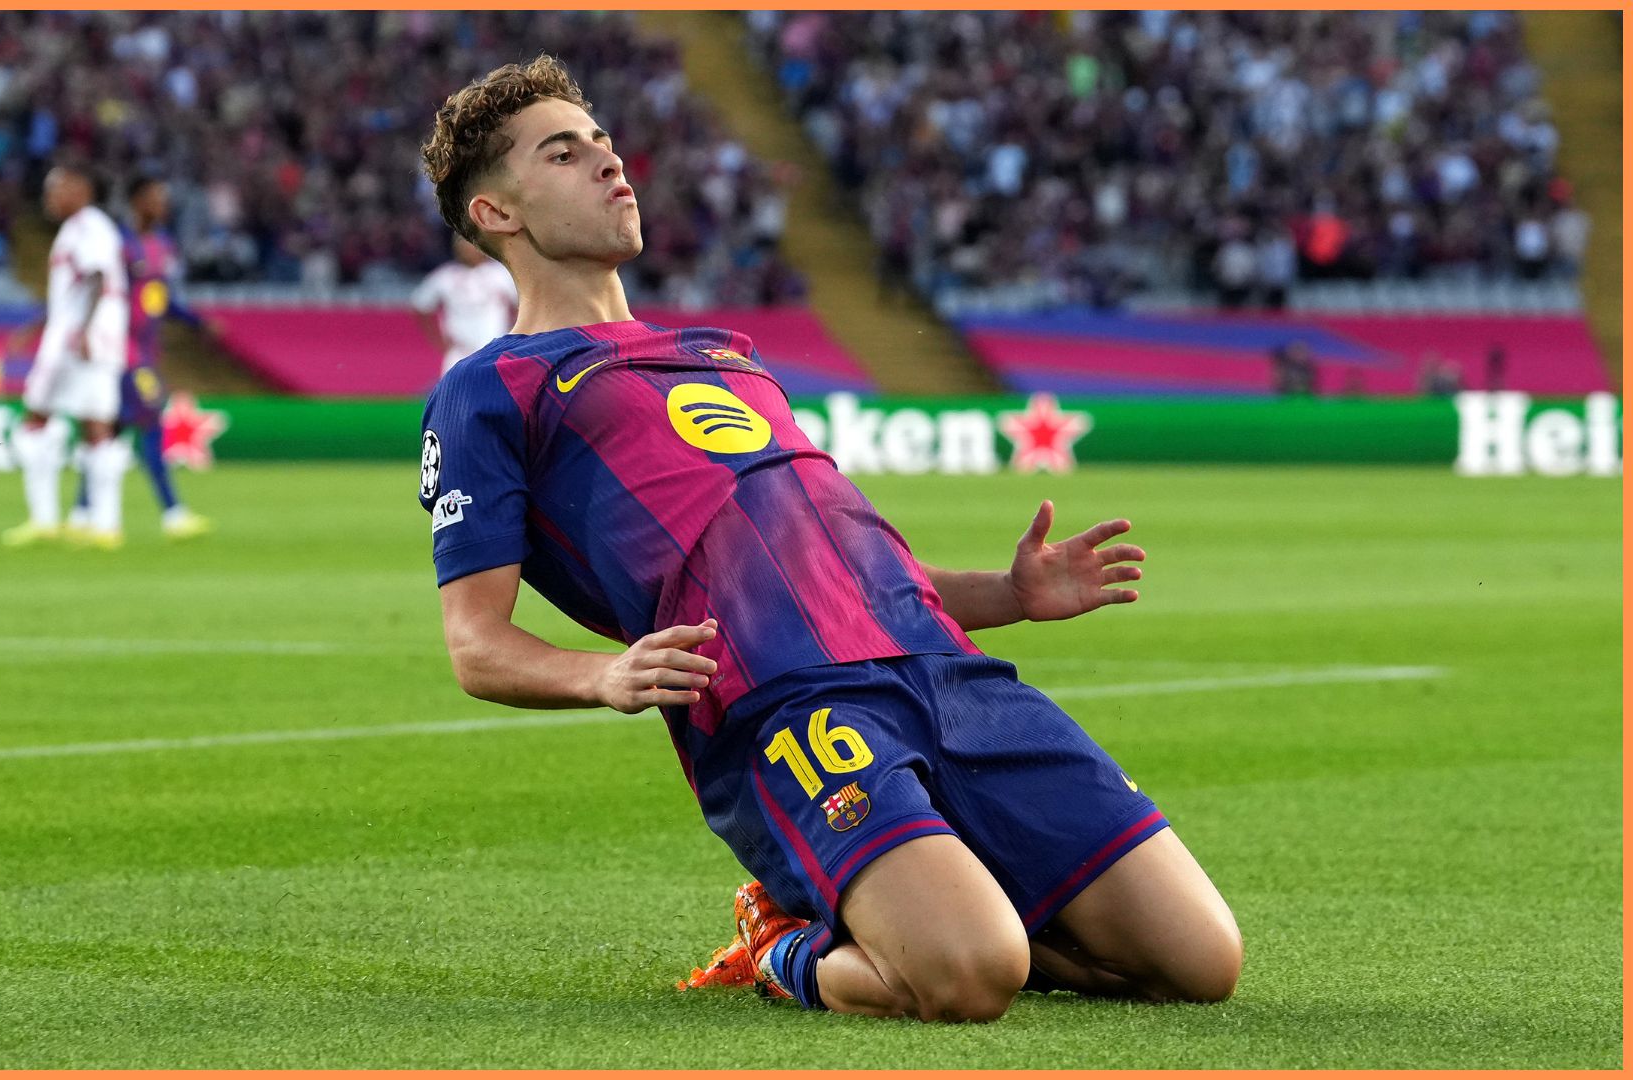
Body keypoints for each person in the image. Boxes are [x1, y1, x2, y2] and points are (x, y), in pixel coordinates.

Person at [416, 56, 1240, 1023]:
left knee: (1199, 965)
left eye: (604, 142)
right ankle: (783, 940)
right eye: (565, 153)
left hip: (946, 670)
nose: (611, 165)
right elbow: (477, 645)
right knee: (972, 980)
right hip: (787, 702)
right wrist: (600, 675)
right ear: (495, 215)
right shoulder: (492, 387)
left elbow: (839, 569)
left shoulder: (725, 356)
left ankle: (925, 909)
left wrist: (1008, 596)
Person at [67, 176, 216, 540]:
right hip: (122, 352)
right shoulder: (118, 245)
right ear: (136, 202)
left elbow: (159, 299)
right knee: (150, 424)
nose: (162, 204)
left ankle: (81, 514)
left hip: (145, 350)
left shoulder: (162, 245)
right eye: (154, 198)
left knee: (111, 431)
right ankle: (173, 513)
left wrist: (197, 322)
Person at [2, 164, 131, 550]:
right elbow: (77, 292)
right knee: (94, 427)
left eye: (55, 189)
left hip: (80, 342)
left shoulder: (89, 228)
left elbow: (97, 279)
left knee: (38, 417)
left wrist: (85, 331)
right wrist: (41, 323)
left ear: (81, 189)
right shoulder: (82, 229)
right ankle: (104, 525)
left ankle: (48, 519)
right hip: (87, 336)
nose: (49, 198)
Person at [411, 236, 520, 375]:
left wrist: (513, 334)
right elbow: (421, 304)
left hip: (494, 350)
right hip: (460, 351)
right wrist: (439, 341)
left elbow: (522, 305)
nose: (468, 250)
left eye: (471, 246)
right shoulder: (446, 275)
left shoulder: (501, 274)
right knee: (453, 394)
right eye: (462, 246)